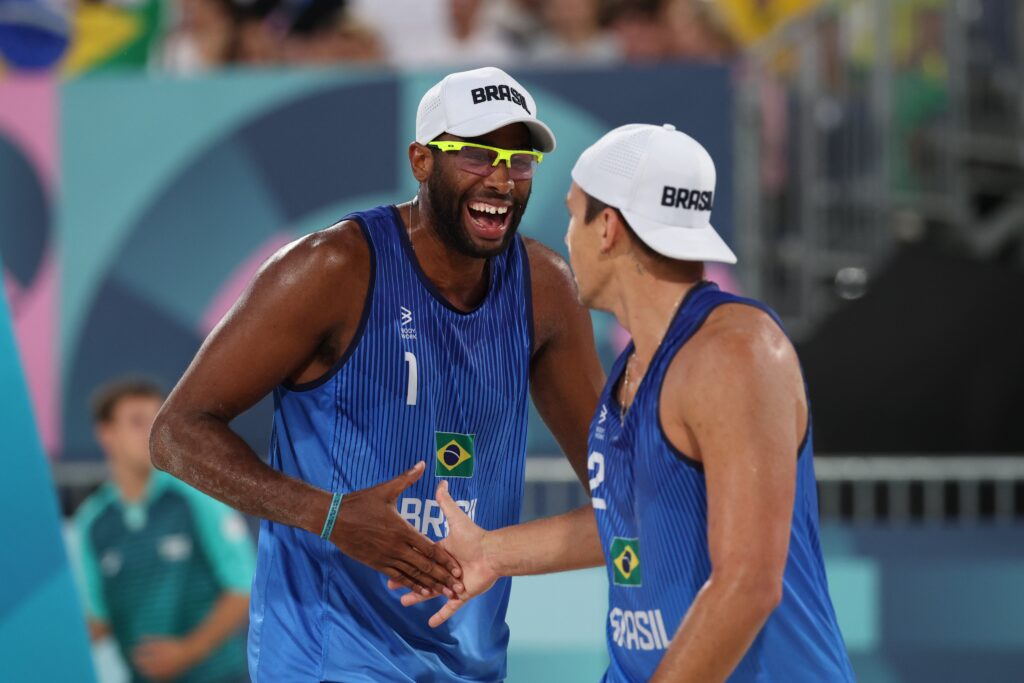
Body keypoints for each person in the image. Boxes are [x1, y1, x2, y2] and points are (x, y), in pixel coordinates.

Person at [150, 66, 604, 682]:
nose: (501, 176)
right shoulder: (330, 269)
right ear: (421, 161)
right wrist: (330, 515)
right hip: (325, 658)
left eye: (519, 159)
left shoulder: (546, 288)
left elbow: (618, 489)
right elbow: (176, 432)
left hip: (469, 661)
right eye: (476, 154)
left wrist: (503, 553)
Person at [397, 124, 856, 682]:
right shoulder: (638, 364)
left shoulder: (736, 354)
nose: (566, 238)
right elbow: (637, 521)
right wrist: (492, 552)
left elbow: (748, 584)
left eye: (573, 215)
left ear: (608, 227)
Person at [74, 378, 255, 683]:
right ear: (106, 434)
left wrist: (189, 651)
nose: (150, 431)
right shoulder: (92, 521)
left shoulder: (197, 496)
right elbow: (98, 617)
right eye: (136, 422)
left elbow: (243, 587)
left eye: (156, 420)